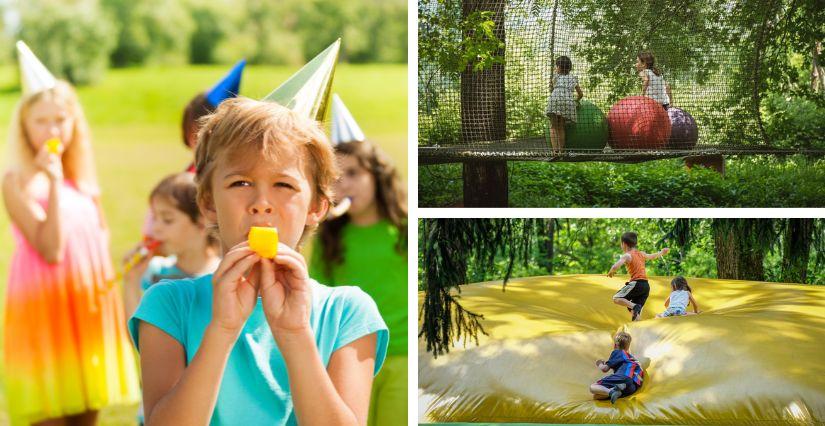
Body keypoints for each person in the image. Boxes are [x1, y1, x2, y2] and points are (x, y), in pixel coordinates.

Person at [128, 97, 389, 425]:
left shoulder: (348, 313)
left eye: (284, 184)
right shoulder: (168, 305)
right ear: (208, 203)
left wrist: (295, 333)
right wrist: (222, 329)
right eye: (241, 183)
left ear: (317, 207)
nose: (261, 203)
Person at [2, 41, 139, 425]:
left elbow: (100, 240)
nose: (52, 130)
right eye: (41, 121)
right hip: (45, 311)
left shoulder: (84, 180)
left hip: (86, 310)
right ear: (25, 127)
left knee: (86, 414)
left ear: (74, 122)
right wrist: (53, 183)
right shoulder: (16, 182)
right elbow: (50, 248)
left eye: (60, 119)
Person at [311, 94, 407, 426]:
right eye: (335, 179)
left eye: (353, 173)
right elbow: (317, 297)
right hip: (347, 356)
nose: (344, 185)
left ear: (376, 175)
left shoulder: (405, 227)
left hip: (403, 354)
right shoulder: (329, 238)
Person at [607, 231, 669, 321]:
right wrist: (661, 252)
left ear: (623, 244)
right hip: (646, 286)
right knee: (635, 313)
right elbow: (652, 256)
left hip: (637, 283)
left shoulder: (627, 256)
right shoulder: (641, 254)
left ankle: (634, 305)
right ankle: (638, 328)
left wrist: (611, 271)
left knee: (616, 298)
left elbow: (615, 266)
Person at [590, 331, 645, 404]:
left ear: (615, 345)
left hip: (624, 375)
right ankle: (615, 390)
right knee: (596, 396)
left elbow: (604, 369)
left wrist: (599, 363)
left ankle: (611, 391)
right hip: (633, 386)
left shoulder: (618, 352)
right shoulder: (631, 358)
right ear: (628, 347)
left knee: (593, 387)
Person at [545, 55, 584, 154]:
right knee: (561, 127)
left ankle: (555, 151)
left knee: (553, 126)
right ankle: (561, 151)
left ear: (558, 67)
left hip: (555, 101)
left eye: (556, 66)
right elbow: (580, 94)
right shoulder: (573, 78)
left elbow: (552, 87)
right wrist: (576, 100)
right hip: (567, 102)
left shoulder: (556, 77)